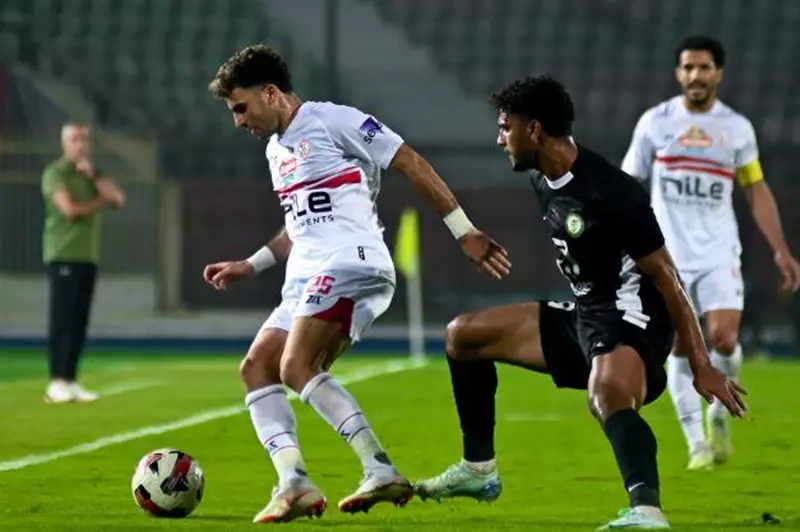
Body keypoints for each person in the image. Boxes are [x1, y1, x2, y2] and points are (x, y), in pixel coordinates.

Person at [414, 75, 747, 530]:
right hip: (587, 313)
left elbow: (668, 278)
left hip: (634, 317)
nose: (499, 139)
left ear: (534, 130)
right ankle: (479, 470)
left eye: (505, 127)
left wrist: (701, 363)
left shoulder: (611, 191)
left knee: (606, 394)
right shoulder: (542, 180)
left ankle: (647, 511)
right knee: (463, 336)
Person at [203, 44, 511, 524]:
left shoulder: (335, 120)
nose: (238, 120)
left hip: (352, 260)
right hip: (305, 274)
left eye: (241, 108)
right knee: (257, 367)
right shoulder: (275, 150)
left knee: (296, 365)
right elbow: (299, 223)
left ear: (271, 93)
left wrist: (464, 230)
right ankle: (294, 483)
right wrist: (251, 263)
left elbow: (410, 161)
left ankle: (380, 469)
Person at [621, 35, 800, 470]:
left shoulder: (736, 129)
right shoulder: (655, 122)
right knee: (681, 346)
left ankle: (718, 412)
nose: (695, 75)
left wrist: (780, 250)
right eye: (688, 67)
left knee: (724, 338)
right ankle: (696, 443)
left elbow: (755, 189)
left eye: (703, 67)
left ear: (718, 73)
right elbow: (627, 184)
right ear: (678, 74)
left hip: (719, 252)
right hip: (668, 256)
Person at [41, 122, 126, 403]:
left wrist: (95, 177)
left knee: (79, 321)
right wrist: (101, 201)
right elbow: (69, 210)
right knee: (62, 320)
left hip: (87, 256)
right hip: (63, 254)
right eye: (75, 139)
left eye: (85, 140)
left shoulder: (91, 174)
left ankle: (70, 380)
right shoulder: (55, 173)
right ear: (64, 143)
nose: (81, 145)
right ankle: (56, 381)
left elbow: (118, 199)